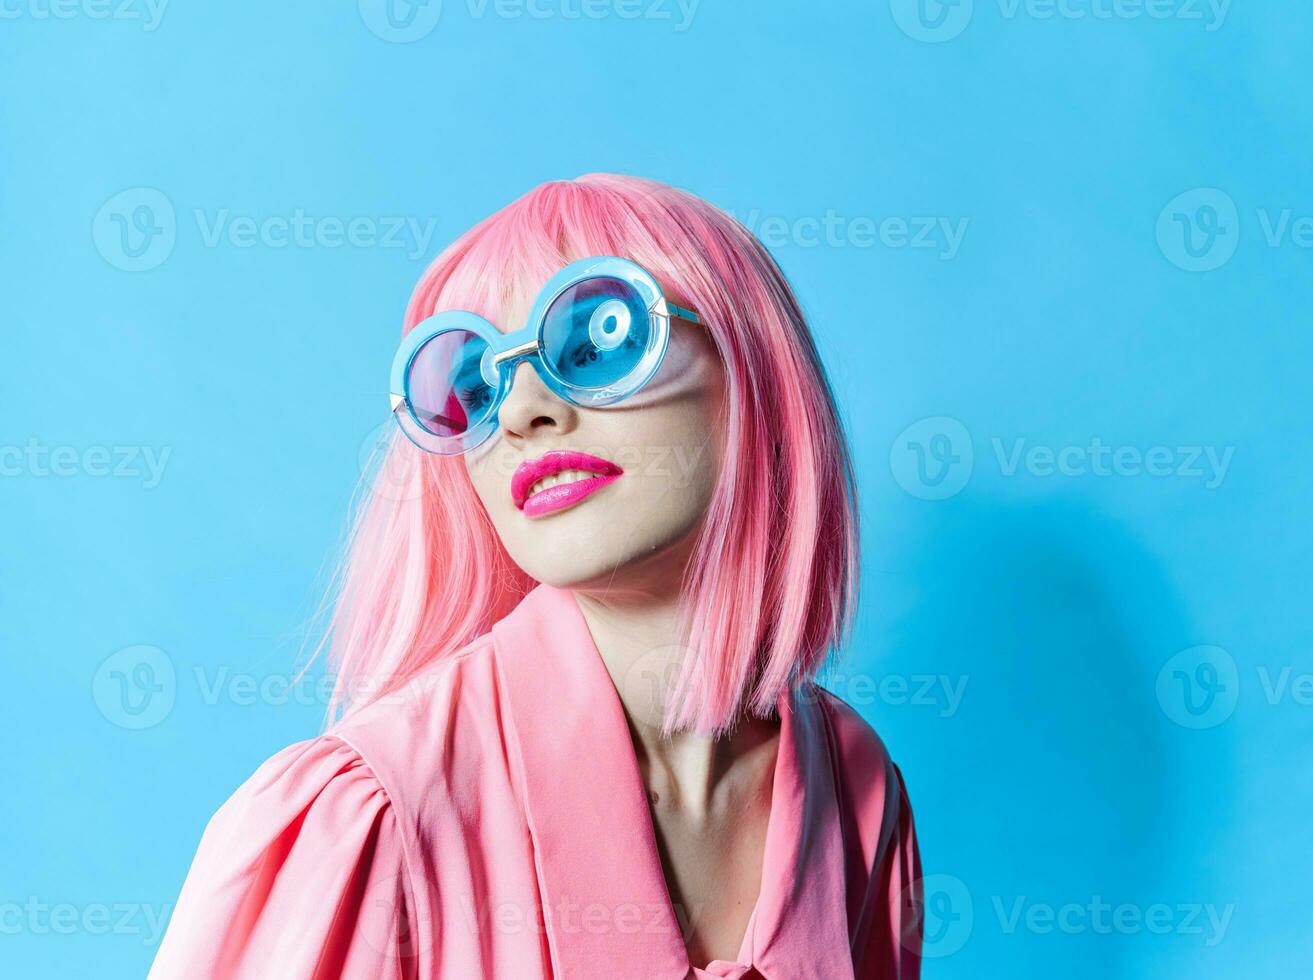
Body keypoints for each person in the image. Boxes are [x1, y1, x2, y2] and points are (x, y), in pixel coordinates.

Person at [149, 174, 923, 979]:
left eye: (600, 339)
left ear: (757, 376)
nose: (521, 411)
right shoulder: (374, 816)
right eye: (475, 385)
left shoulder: (857, 789)